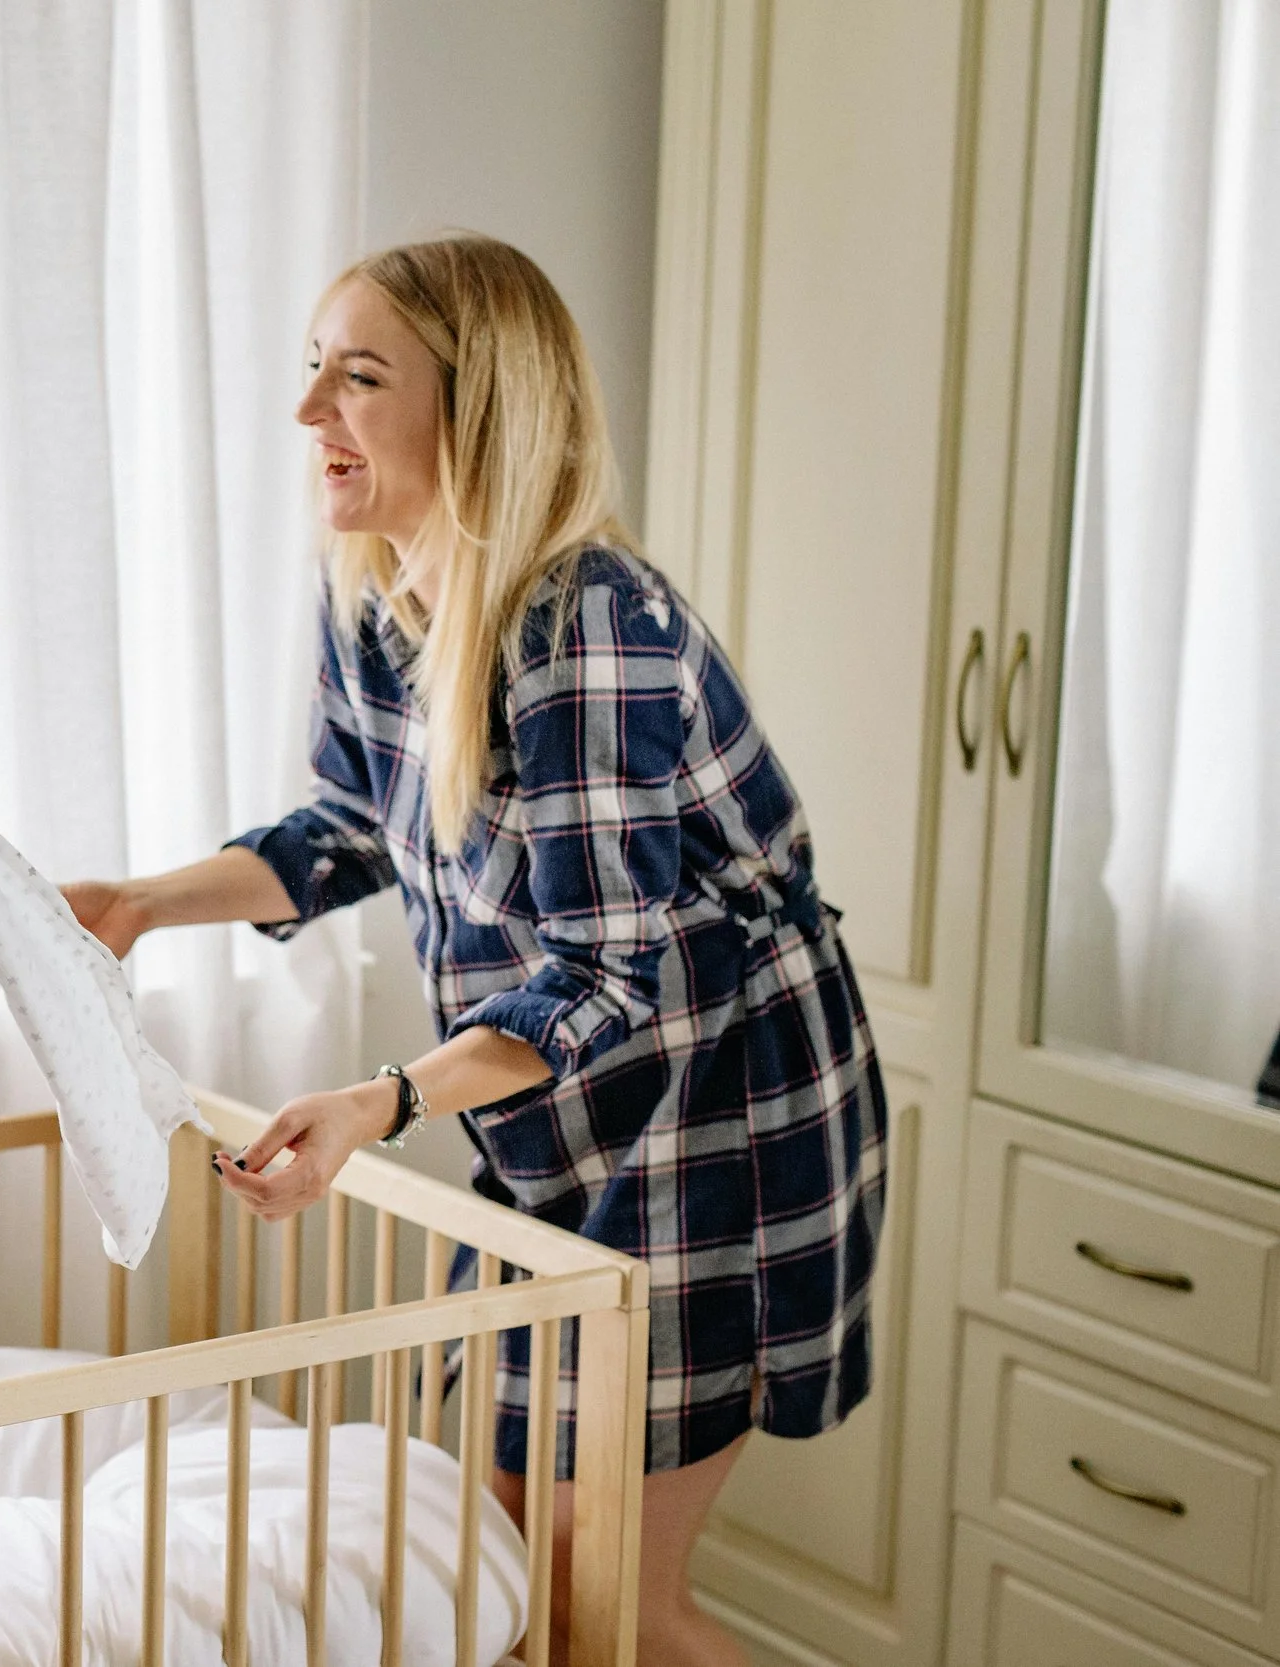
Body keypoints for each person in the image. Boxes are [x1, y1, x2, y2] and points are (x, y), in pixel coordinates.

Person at [65, 235, 886, 1667]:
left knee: (598, 1598)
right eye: (312, 367)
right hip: (569, 1112)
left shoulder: (586, 627)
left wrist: (380, 1104)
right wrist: (135, 904)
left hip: (718, 1121)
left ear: (478, 405)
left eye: (359, 375)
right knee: (504, 1571)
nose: (312, 409)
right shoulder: (381, 601)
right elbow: (346, 826)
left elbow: (608, 974)